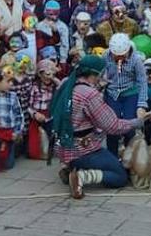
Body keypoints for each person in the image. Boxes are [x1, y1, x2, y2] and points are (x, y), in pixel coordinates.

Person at [50, 54, 145, 199]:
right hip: (81, 149)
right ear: (95, 74)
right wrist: (135, 122)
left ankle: (70, 168)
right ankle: (82, 177)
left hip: (62, 146)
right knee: (120, 176)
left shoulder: (66, 83)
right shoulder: (89, 94)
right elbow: (112, 126)